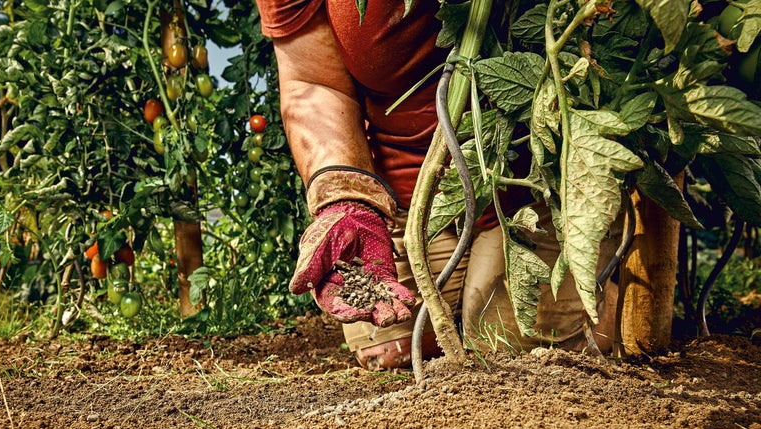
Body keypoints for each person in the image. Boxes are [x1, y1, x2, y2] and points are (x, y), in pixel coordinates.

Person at [254, 0, 620, 370]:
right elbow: (313, 82)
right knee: (387, 349)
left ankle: (606, 293)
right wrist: (346, 196)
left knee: (512, 354)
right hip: (410, 195)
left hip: (532, 190)